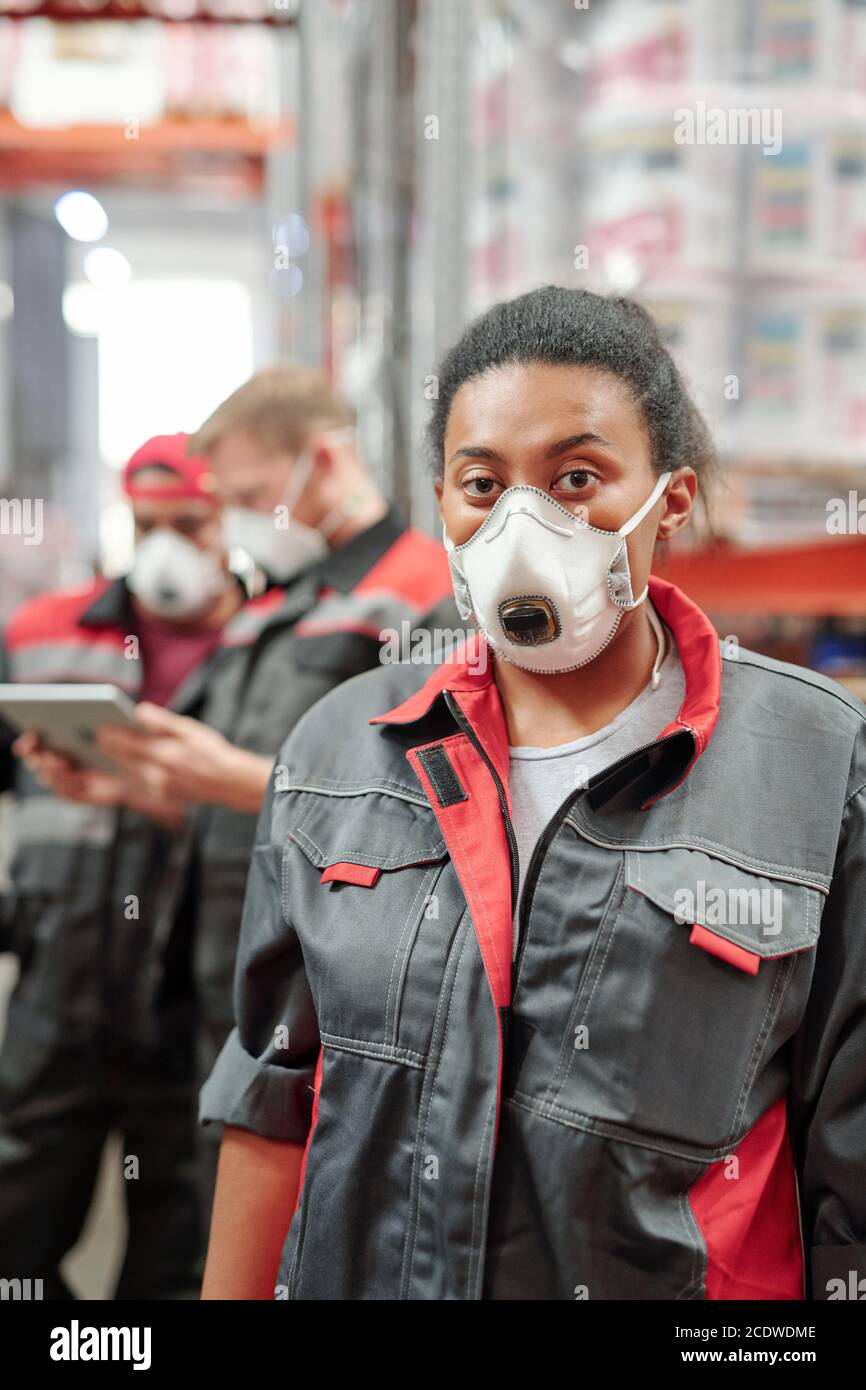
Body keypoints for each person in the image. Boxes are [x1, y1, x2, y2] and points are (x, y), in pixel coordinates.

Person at [199, 286, 866, 1301]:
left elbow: (847, 1162)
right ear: (442, 503)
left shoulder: (815, 762)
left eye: (576, 476)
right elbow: (270, 1102)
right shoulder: (339, 746)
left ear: (670, 498)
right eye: (482, 484)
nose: (524, 520)